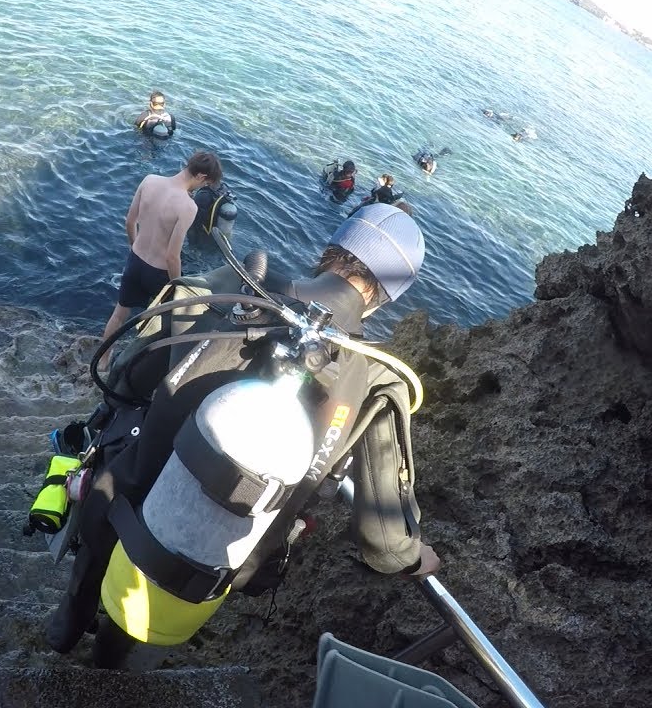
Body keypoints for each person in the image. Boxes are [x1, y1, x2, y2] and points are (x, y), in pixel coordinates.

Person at [45, 203, 440, 663]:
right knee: (135, 623)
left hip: (121, 494)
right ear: (388, 295)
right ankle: (102, 669)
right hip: (199, 553)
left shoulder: (243, 282)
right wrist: (413, 558)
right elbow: (383, 539)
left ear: (333, 249)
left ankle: (63, 633)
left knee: (92, 565)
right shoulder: (377, 379)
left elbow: (130, 374)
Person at [99, 151, 222, 370]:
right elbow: (172, 256)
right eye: (206, 184)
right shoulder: (188, 206)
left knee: (119, 314)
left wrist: (134, 247)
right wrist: (178, 287)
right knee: (154, 324)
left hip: (135, 260)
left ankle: (102, 360)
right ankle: (132, 366)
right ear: (202, 177)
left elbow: (129, 221)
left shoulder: (149, 181)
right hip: (158, 273)